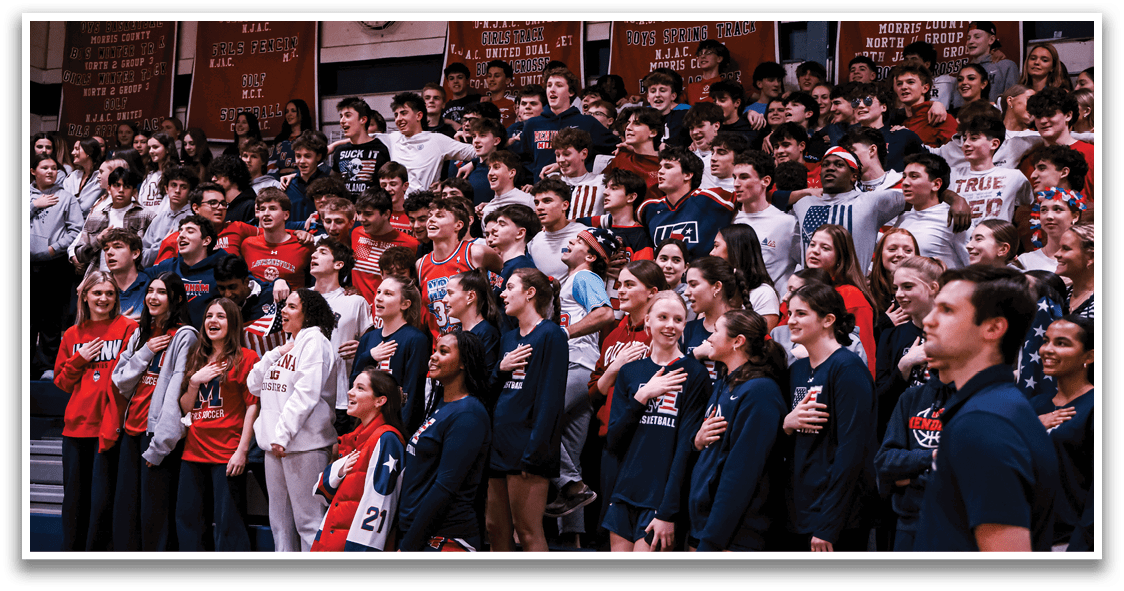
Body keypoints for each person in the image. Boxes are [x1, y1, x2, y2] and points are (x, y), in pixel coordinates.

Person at [914, 265, 1059, 551]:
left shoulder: (985, 423)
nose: (929, 320)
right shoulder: (992, 407)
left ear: (993, 328)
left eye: (946, 310)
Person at [604, 291, 709, 551]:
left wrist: (667, 511)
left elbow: (685, 448)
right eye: (662, 317)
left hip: (660, 498)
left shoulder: (694, 373)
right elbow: (614, 439)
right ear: (647, 321)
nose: (670, 325)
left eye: (678, 319)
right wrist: (642, 396)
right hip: (624, 493)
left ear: (685, 325)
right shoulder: (630, 372)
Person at [782, 282, 877, 552]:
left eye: (801, 314)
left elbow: (853, 450)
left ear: (828, 320)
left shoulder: (848, 368)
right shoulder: (797, 370)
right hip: (801, 510)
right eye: (790, 314)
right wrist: (786, 425)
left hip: (838, 517)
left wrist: (829, 523)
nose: (791, 321)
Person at [247, 288, 343, 552]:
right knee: (279, 524)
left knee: (308, 522)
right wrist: (273, 354)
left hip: (304, 446)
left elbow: (306, 394)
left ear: (307, 313)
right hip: (275, 446)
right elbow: (253, 385)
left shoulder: (316, 342)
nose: (284, 312)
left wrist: (283, 435)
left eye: (291, 307)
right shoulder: (286, 346)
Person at [109, 273, 197, 551]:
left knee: (154, 514)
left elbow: (176, 393)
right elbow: (120, 379)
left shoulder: (185, 336)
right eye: (150, 291)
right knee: (127, 510)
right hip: (131, 430)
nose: (152, 297)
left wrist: (161, 445)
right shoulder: (141, 334)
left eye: (161, 292)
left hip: (156, 434)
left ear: (177, 298)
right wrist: (145, 351)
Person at [689, 310, 788, 551]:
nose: (708, 339)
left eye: (716, 332)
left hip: (738, 534)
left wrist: (714, 539)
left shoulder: (760, 392)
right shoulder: (726, 382)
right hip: (707, 524)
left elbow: (742, 472)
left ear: (738, 341)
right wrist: (697, 441)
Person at [54, 271, 140, 550]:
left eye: (110, 293)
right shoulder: (72, 334)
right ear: (85, 296)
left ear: (116, 298)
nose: (103, 298)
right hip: (76, 428)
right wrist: (79, 359)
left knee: (103, 501)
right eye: (97, 293)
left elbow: (132, 376)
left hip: (110, 427)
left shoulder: (127, 328)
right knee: (75, 502)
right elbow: (63, 383)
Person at [486, 268, 568, 552]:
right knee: (495, 529)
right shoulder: (508, 339)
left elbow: (550, 399)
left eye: (510, 287)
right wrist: (500, 368)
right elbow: (492, 389)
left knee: (527, 530)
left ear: (530, 293)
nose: (502, 293)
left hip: (528, 448)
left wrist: (534, 451)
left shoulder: (551, 335)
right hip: (500, 444)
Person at [542, 229, 618, 531]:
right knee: (570, 454)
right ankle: (572, 538)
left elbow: (605, 315)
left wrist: (564, 333)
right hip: (584, 368)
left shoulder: (584, 277)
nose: (569, 242)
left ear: (590, 256)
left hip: (575, 364)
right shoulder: (571, 280)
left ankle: (572, 486)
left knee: (538, 420)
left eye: (577, 242)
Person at [174, 297, 260, 551]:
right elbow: (185, 408)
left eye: (221, 316)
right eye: (209, 316)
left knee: (229, 524)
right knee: (188, 520)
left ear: (232, 322)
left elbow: (252, 406)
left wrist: (242, 451)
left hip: (227, 452)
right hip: (194, 451)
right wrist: (194, 382)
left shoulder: (248, 357)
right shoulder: (196, 357)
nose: (213, 320)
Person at [397, 332, 492, 551]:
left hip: (446, 536)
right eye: (435, 350)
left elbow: (445, 488)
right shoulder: (442, 404)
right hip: (417, 531)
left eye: (443, 351)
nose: (433, 357)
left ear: (464, 363)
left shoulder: (469, 415)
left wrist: (411, 544)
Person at [309, 367, 406, 552]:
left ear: (380, 400)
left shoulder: (386, 439)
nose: (349, 392)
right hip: (331, 540)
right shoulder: (354, 439)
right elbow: (320, 492)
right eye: (352, 386)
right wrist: (339, 469)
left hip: (353, 546)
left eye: (360, 388)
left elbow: (379, 504)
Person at [1031, 315, 1094, 551]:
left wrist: (1080, 548)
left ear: (1090, 356)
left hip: (1070, 540)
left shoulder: (1094, 406)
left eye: (1061, 343)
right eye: (1046, 341)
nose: (1047, 349)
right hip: (1025, 537)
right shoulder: (1035, 405)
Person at [874, 256, 946, 443]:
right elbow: (880, 401)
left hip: (942, 434)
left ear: (933, 288)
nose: (898, 294)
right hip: (900, 437)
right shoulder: (890, 336)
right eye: (896, 287)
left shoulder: (956, 334)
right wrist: (903, 367)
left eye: (907, 287)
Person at [349, 274, 431, 429]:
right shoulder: (368, 338)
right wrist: (369, 356)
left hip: (394, 427)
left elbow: (413, 393)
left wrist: (402, 433)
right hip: (366, 425)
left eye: (388, 294)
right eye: (378, 292)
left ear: (405, 304)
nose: (379, 298)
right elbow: (353, 384)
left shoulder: (416, 339)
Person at [30, 153, 84, 378]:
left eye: (54, 168)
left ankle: (46, 366)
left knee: (51, 317)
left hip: (53, 264)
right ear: (34, 171)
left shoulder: (66, 197)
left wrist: (54, 249)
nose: (50, 171)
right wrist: (33, 205)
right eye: (45, 167)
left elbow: (76, 229)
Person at [310, 238, 374, 424]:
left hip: (341, 395)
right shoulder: (299, 297)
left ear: (338, 264)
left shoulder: (355, 301)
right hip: (305, 390)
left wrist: (361, 348)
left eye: (322, 252)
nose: (314, 255)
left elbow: (372, 343)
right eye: (315, 252)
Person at [419, 196, 502, 337]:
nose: (431, 220)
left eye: (439, 216)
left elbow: (508, 275)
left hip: (476, 342)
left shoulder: (475, 253)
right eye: (430, 216)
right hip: (441, 346)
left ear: (458, 225)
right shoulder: (420, 264)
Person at [803, 224, 878, 376]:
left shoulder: (851, 295)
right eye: (812, 244)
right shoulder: (798, 291)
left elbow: (865, 354)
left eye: (825, 248)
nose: (815, 251)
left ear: (840, 258)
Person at [516, 67, 616, 179]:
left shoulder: (587, 122)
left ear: (571, 92)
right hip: (542, 191)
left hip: (577, 191)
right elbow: (524, 161)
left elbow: (613, 153)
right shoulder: (533, 124)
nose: (552, 90)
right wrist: (529, 183)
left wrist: (569, 165)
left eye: (559, 85)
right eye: (549, 85)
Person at [637, 147, 736, 260]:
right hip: (662, 275)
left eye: (668, 167)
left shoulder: (711, 198)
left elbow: (749, 197)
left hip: (704, 274)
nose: (660, 171)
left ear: (688, 175)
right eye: (660, 167)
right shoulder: (648, 208)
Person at [375, 92, 477, 192]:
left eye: (404, 113)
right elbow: (361, 137)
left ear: (419, 116)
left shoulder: (437, 140)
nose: (398, 119)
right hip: (397, 205)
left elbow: (479, 152)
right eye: (396, 115)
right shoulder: (392, 138)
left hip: (425, 205)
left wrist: (473, 162)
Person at [730, 151, 798, 295]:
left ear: (765, 181)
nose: (736, 184)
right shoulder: (729, 221)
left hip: (774, 308)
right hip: (737, 308)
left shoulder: (787, 223)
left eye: (744, 177)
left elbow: (803, 269)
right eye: (734, 177)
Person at [948, 115, 1033, 230]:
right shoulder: (951, 174)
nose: (966, 144)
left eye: (973, 138)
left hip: (996, 243)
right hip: (957, 243)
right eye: (965, 138)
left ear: (994, 144)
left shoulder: (1014, 177)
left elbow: (1028, 206)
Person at [71, 167, 154, 283]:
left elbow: (152, 254)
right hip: (100, 277)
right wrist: (97, 241)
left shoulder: (147, 216)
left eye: (126, 186)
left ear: (134, 191)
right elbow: (80, 255)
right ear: (109, 189)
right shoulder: (96, 216)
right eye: (116, 185)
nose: (121, 190)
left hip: (134, 279)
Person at [681, 256, 749, 384]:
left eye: (693, 285)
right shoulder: (688, 330)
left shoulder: (744, 328)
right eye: (687, 285)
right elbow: (672, 378)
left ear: (717, 286)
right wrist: (695, 354)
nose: (686, 292)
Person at [895, 153, 970, 269]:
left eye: (914, 176)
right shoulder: (902, 218)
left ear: (936, 184)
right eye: (904, 176)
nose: (905, 182)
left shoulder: (954, 218)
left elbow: (976, 267)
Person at [350, 187, 420, 307]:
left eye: (368, 214)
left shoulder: (411, 244)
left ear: (386, 214)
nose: (361, 218)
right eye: (359, 213)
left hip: (389, 311)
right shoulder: (356, 234)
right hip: (358, 311)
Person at [710, 224, 780, 331]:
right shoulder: (715, 289)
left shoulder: (764, 294)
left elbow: (763, 342)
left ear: (734, 250)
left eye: (716, 246)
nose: (711, 253)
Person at [1020, 168, 1086, 273]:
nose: (1049, 216)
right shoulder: (1025, 262)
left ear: (1075, 216)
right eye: (1044, 210)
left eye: (1057, 209)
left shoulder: (1089, 259)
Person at [442, 269, 501, 377]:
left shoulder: (487, 333)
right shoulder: (456, 333)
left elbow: (487, 378)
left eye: (450, 293)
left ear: (470, 297)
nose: (444, 299)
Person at [330, 97, 390, 199]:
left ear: (363, 119)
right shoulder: (340, 151)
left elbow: (385, 187)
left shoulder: (380, 149)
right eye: (341, 116)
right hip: (346, 211)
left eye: (347, 116)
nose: (342, 121)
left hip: (370, 210)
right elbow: (334, 184)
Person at [952, 21, 1019, 107]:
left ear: (991, 39)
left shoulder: (1006, 66)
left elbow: (1013, 102)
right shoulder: (964, 71)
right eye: (968, 38)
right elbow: (958, 104)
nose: (971, 41)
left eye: (977, 37)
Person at [868, 228, 919, 337]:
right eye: (892, 249)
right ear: (880, 253)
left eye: (908, 250)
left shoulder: (925, 294)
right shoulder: (866, 293)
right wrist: (882, 323)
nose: (900, 254)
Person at [894, 64, 958, 148]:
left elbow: (958, 156)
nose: (903, 87)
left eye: (910, 82)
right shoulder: (893, 120)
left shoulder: (941, 118)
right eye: (899, 84)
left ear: (925, 88)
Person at [1054, 223, 1094, 320]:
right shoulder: (1062, 294)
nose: (1057, 254)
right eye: (1059, 248)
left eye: (1066, 249)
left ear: (1090, 257)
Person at [207, 154, 258, 225]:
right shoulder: (220, 206)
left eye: (217, 174)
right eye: (212, 175)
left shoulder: (250, 205)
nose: (213, 179)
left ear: (232, 174)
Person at [269, 99, 315, 176]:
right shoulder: (280, 139)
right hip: (279, 181)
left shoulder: (310, 138)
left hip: (302, 180)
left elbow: (314, 164)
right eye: (287, 112)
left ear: (302, 113)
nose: (289, 114)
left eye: (293, 111)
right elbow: (271, 163)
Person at [64, 137, 106, 216]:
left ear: (88, 152)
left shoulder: (100, 177)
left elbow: (86, 207)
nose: (73, 152)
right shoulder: (73, 176)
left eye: (77, 149)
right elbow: (63, 201)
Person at [654, 238, 692, 319]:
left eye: (676, 260)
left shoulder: (691, 296)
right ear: (654, 263)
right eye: (664, 259)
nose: (668, 266)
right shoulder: (645, 293)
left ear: (686, 267)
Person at [138, 133, 176, 209]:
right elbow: (141, 201)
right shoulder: (150, 174)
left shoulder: (176, 174)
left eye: (155, 147)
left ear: (167, 149)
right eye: (149, 148)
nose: (151, 151)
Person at [441, 62, 482, 127]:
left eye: (460, 77)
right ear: (448, 83)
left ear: (467, 81)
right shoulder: (443, 107)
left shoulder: (479, 101)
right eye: (451, 78)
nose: (455, 81)